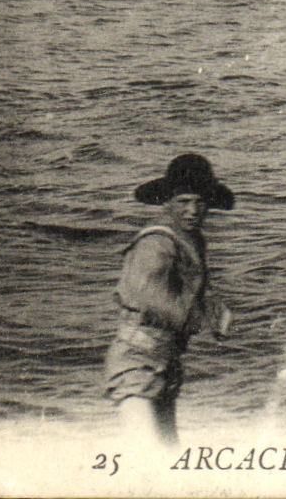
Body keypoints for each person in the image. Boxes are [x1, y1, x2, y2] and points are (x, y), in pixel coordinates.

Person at [104, 153, 235, 446]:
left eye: (200, 202)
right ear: (167, 203)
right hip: (135, 362)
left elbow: (195, 290)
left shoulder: (193, 242)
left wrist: (214, 309)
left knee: (168, 456)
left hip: (166, 363)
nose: (193, 210)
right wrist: (200, 319)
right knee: (147, 458)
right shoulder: (156, 242)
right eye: (184, 202)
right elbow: (147, 296)